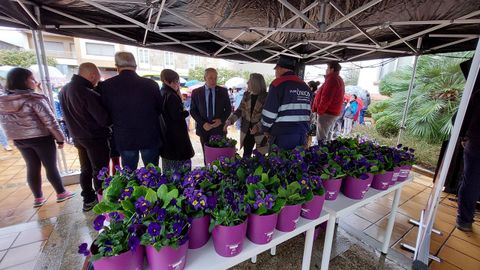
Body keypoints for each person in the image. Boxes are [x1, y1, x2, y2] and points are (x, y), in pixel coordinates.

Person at [0, 67, 75, 207]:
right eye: (32, 79)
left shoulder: (3, 100)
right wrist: (60, 138)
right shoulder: (33, 99)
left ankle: (38, 198)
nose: (35, 81)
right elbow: (50, 121)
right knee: (50, 166)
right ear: (24, 81)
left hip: (19, 139)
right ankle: (61, 192)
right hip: (41, 138)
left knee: (32, 166)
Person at [99, 52, 163, 170]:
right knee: (152, 174)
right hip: (149, 135)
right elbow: (159, 109)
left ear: (117, 67)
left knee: (129, 176)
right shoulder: (151, 84)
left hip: (125, 136)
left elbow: (104, 114)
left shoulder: (106, 86)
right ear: (135, 66)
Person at [59, 62, 110, 211]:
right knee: (100, 170)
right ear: (92, 75)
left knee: (85, 169)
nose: (96, 82)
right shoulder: (86, 92)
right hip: (94, 138)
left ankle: (88, 199)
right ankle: (103, 201)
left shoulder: (64, 89)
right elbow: (104, 119)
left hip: (78, 137)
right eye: (96, 79)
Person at [261, 56, 311, 150]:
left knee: (279, 163)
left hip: (282, 135)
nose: (275, 73)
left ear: (279, 68)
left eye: (276, 70)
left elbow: (269, 113)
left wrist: (264, 129)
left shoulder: (277, 84)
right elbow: (308, 112)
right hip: (301, 134)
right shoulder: (305, 86)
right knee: (296, 162)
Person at [456, 59, 480, 232]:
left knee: (471, 181)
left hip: (477, 143)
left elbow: (461, 119)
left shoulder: (479, 93)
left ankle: (465, 220)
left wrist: (463, 137)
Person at [190, 68, 231, 164]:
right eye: (211, 78)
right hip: (204, 129)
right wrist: (203, 123)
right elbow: (193, 110)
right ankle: (208, 174)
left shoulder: (223, 91)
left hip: (219, 129)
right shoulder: (196, 92)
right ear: (205, 78)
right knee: (207, 155)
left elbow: (228, 109)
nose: (213, 81)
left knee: (220, 156)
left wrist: (221, 120)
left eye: (215, 78)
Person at [224, 73, 268, 157]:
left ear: (255, 83)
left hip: (261, 131)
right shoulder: (246, 95)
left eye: (249, 81)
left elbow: (267, 116)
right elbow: (239, 111)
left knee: (260, 156)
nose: (247, 83)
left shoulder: (266, 97)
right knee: (246, 154)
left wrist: (257, 127)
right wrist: (230, 121)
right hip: (246, 129)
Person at [159, 69, 194, 173]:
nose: (177, 84)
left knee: (168, 170)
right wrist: (186, 112)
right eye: (174, 81)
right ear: (166, 81)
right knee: (181, 171)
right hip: (177, 140)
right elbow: (176, 116)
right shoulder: (171, 95)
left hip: (167, 138)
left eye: (177, 81)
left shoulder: (162, 93)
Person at [312, 61, 345, 142]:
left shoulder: (332, 79)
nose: (326, 70)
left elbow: (326, 97)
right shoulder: (338, 79)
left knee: (321, 137)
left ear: (332, 69)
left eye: (327, 68)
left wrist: (320, 111)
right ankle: (327, 151)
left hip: (327, 113)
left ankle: (320, 153)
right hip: (332, 113)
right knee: (328, 136)